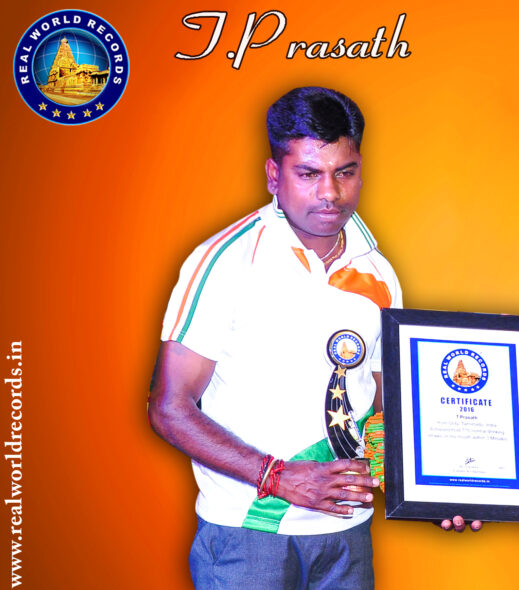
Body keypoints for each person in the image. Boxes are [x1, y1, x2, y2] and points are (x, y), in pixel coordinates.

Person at [149, 86, 402, 588]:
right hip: (248, 534)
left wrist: (437, 488)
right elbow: (169, 407)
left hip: (348, 532)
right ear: (273, 175)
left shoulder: (379, 271)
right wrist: (276, 476)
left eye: (344, 172)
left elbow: (383, 407)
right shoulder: (225, 261)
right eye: (308, 174)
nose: (330, 193)